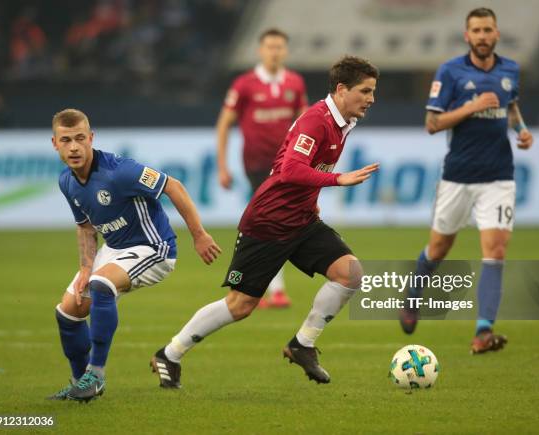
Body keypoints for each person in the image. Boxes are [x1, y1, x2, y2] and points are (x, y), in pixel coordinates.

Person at [151, 56, 379, 387]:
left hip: (300, 220)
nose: (371, 98)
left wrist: (312, 203)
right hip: (268, 223)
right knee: (241, 305)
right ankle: (169, 354)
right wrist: (338, 180)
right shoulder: (316, 120)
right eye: (366, 91)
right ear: (342, 90)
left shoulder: (343, 122)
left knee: (350, 274)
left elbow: (307, 172)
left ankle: (302, 344)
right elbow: (290, 170)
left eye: (373, 91)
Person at [49, 109, 221, 401]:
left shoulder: (120, 171)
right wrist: (85, 267)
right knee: (68, 312)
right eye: (66, 140)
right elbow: (86, 226)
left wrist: (199, 234)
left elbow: (173, 186)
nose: (74, 147)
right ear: (55, 144)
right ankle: (81, 383)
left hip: (154, 247)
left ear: (91, 138)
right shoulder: (67, 181)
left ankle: (97, 374)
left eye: (80, 138)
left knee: (101, 286)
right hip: (114, 250)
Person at [399, 7, 534, 354]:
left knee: (496, 250)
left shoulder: (510, 70)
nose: (483, 36)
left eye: (488, 29)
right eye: (476, 30)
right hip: (458, 176)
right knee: (439, 249)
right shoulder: (451, 72)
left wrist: (521, 130)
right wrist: (470, 108)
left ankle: (483, 330)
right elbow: (432, 124)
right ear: (467, 36)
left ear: (497, 34)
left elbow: (511, 107)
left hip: (499, 177)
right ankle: (413, 295)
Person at [216, 28, 308, 309]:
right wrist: (222, 165)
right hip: (257, 164)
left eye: (279, 47)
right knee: (272, 221)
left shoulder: (294, 82)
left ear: (286, 51)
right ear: (260, 50)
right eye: (270, 46)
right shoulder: (244, 84)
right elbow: (224, 124)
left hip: (289, 164)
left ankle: (268, 287)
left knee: (277, 221)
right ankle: (272, 288)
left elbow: (305, 121)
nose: (275, 51)